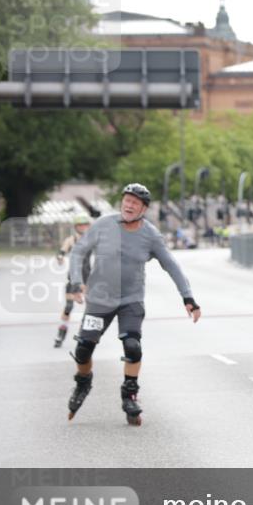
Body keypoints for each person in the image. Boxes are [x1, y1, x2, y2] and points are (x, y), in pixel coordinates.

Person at [66, 183, 201, 426]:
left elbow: (171, 265)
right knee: (83, 349)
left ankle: (129, 396)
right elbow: (78, 252)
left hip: (131, 300)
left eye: (135, 203)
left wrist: (187, 297)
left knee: (132, 346)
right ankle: (83, 383)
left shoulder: (150, 235)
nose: (129, 205)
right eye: (126, 201)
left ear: (143, 209)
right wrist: (76, 282)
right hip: (99, 299)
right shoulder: (103, 225)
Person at [54, 214, 93, 348]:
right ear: (76, 227)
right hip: (73, 277)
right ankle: (61, 333)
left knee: (91, 308)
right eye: (81, 225)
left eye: (86, 225)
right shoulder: (71, 240)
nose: (83, 228)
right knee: (69, 307)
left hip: (88, 277)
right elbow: (62, 251)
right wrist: (60, 257)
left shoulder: (92, 240)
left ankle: (86, 335)